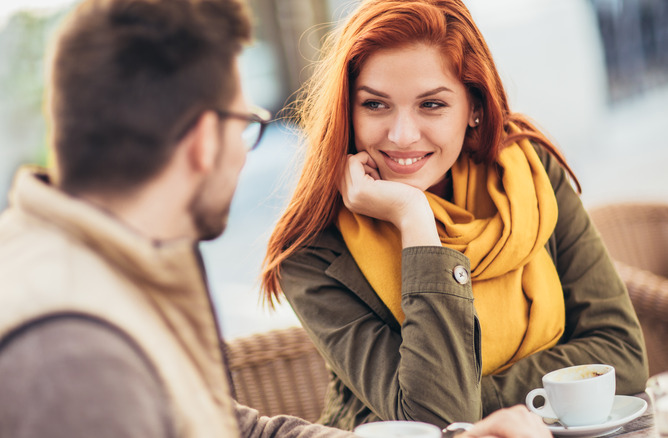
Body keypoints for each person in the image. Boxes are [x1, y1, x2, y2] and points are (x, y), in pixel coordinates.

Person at [0, 0, 552, 437]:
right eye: (247, 126)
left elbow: (217, 423)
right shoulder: (70, 356)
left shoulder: (72, 255)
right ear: (199, 141)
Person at [261, 0, 648, 431]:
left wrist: (472, 397)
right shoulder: (315, 251)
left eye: (431, 105)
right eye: (374, 105)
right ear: (346, 112)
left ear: (475, 107)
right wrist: (414, 221)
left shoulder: (529, 175)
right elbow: (434, 421)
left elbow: (622, 354)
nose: (402, 135)